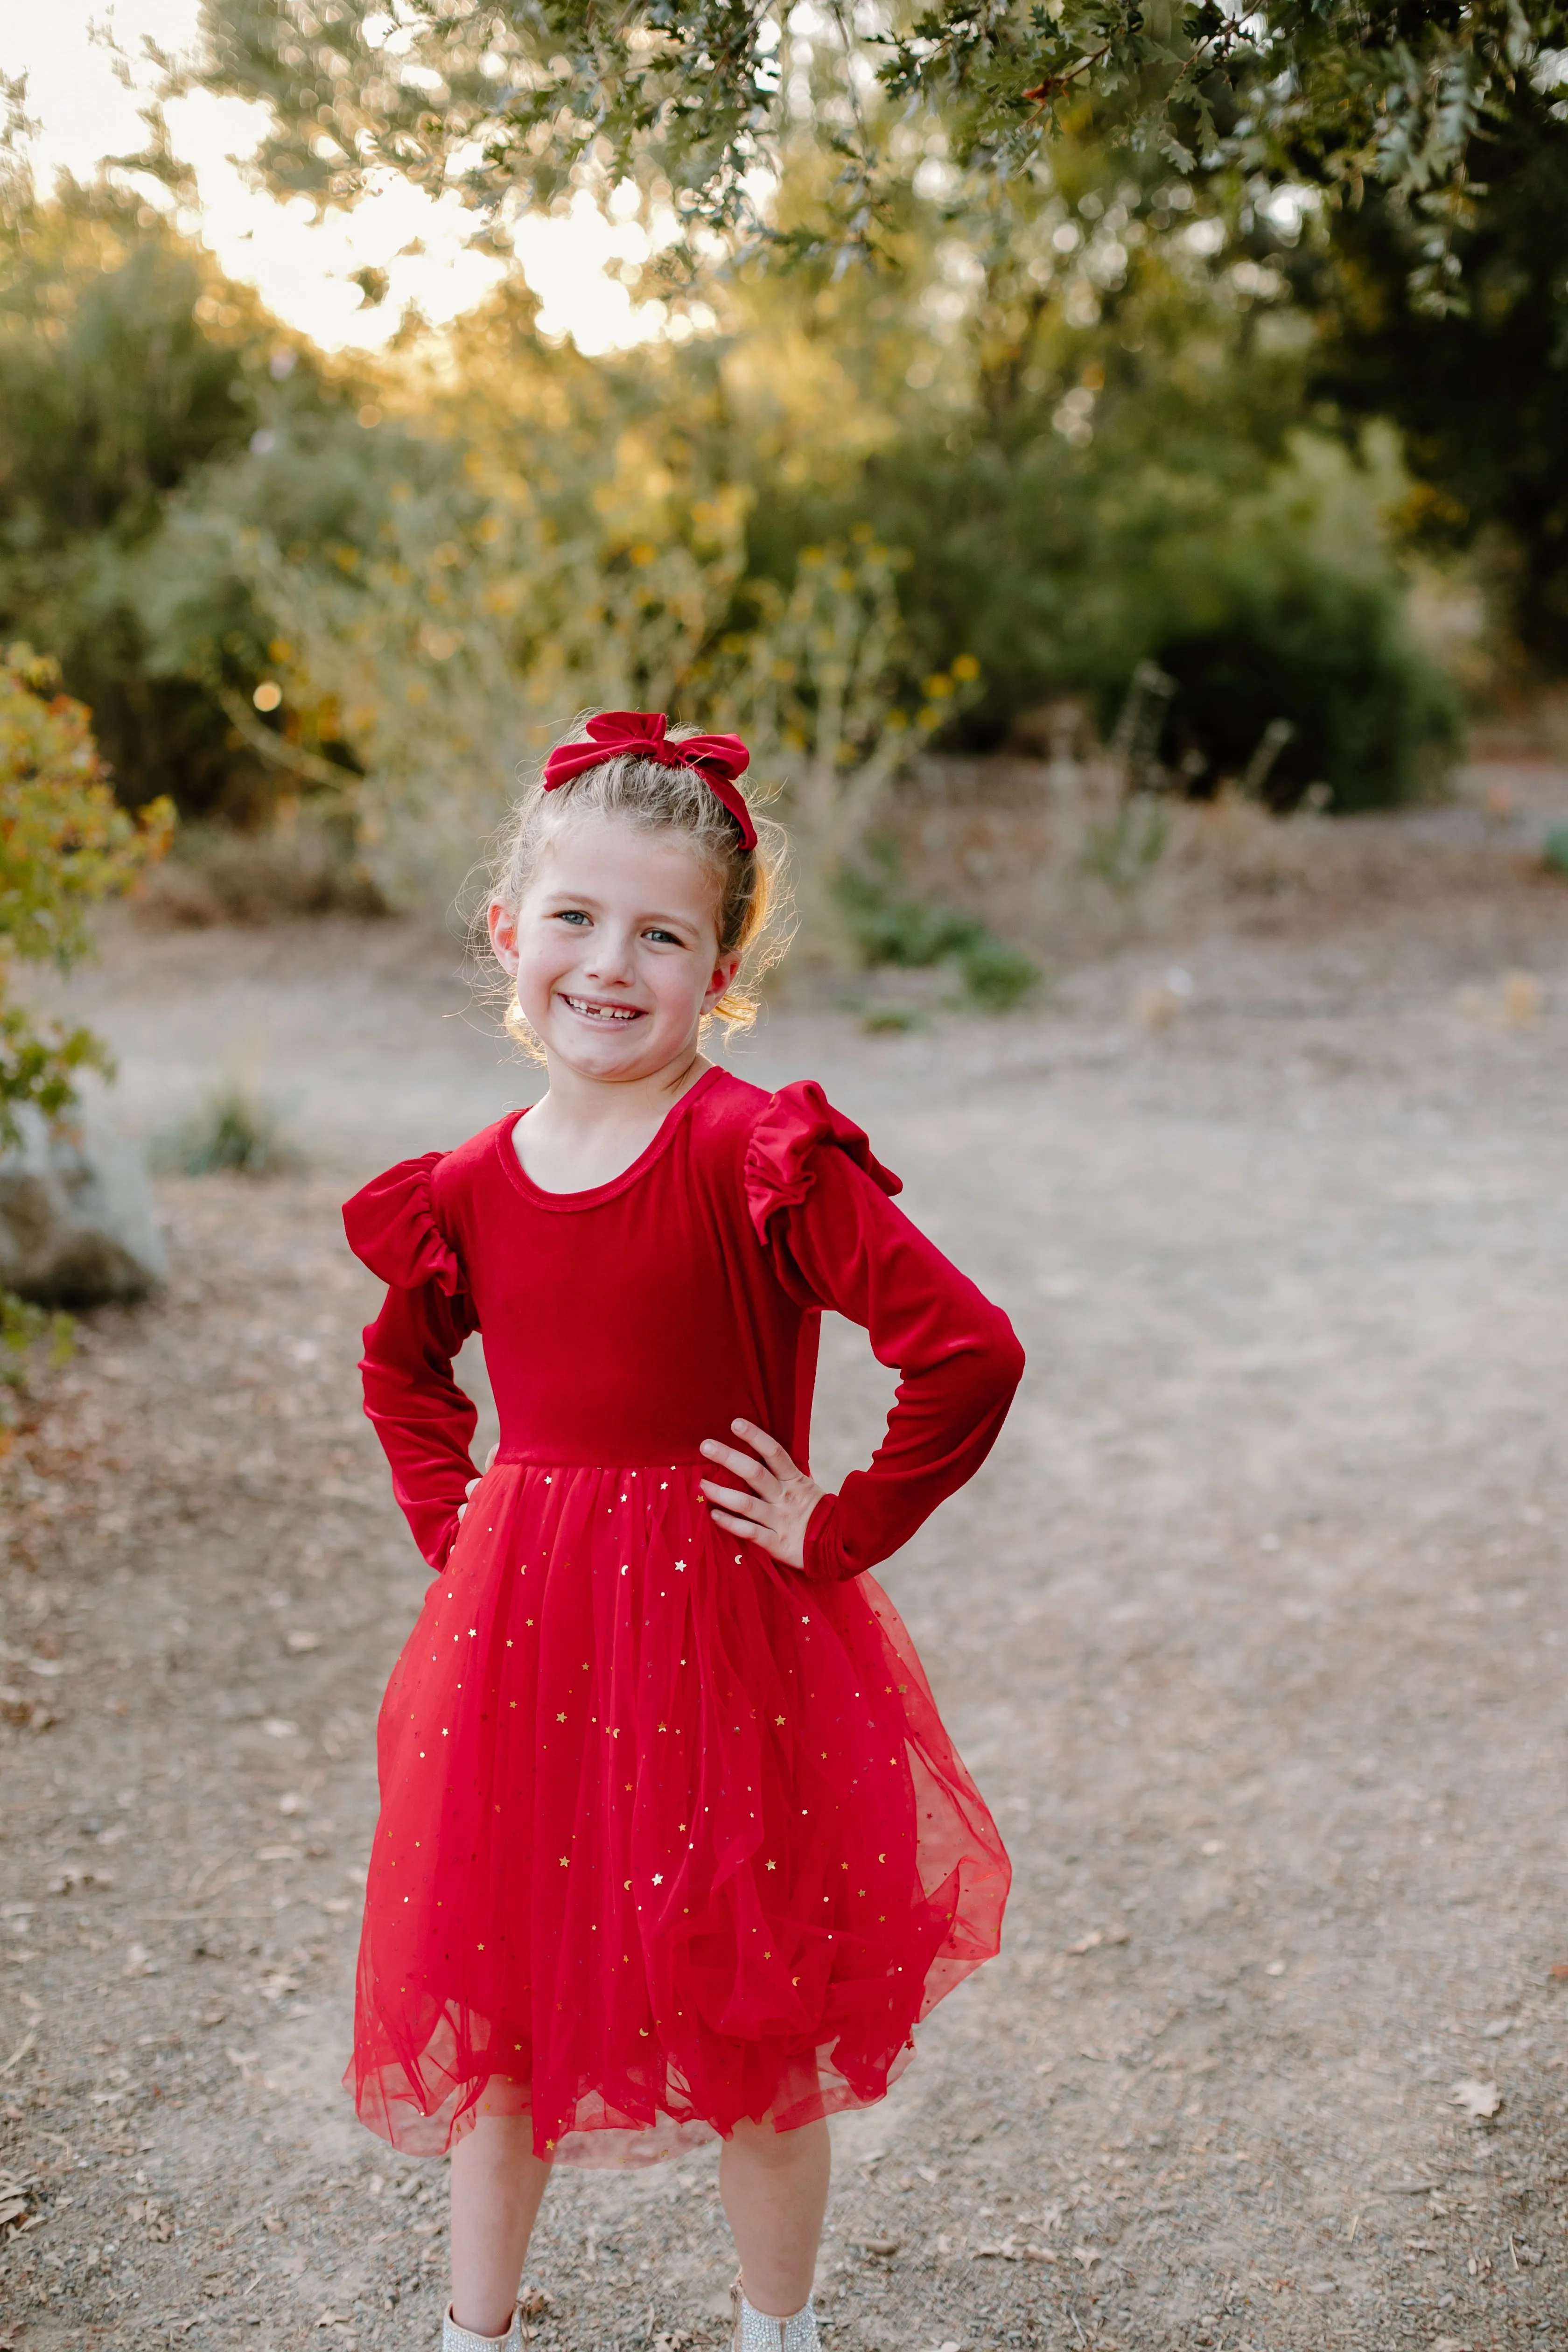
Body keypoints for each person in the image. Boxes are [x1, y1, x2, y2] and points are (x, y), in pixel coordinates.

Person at [341, 710, 1024, 2352]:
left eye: (663, 934)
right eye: (574, 918)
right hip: (523, 1641)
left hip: (729, 1642)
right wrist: (466, 1529)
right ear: (509, 933)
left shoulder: (756, 1155)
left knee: (750, 2006)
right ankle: (474, 2332)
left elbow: (969, 1348)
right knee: (496, 2002)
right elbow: (403, 1368)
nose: (608, 963)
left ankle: (773, 2333)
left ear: (721, 971)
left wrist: (841, 1524)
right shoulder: (471, 1184)